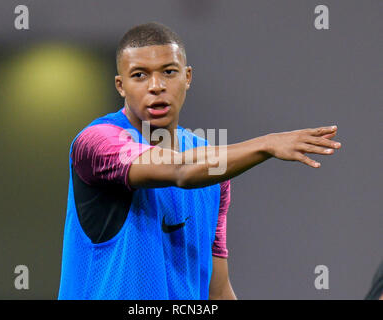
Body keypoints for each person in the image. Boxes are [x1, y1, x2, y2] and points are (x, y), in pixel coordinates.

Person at [58, 22, 342, 300]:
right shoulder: (96, 143)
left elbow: (216, 290)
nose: (156, 86)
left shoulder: (211, 164)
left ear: (188, 76)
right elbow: (181, 169)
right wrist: (266, 144)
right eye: (140, 75)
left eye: (169, 72)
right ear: (121, 85)